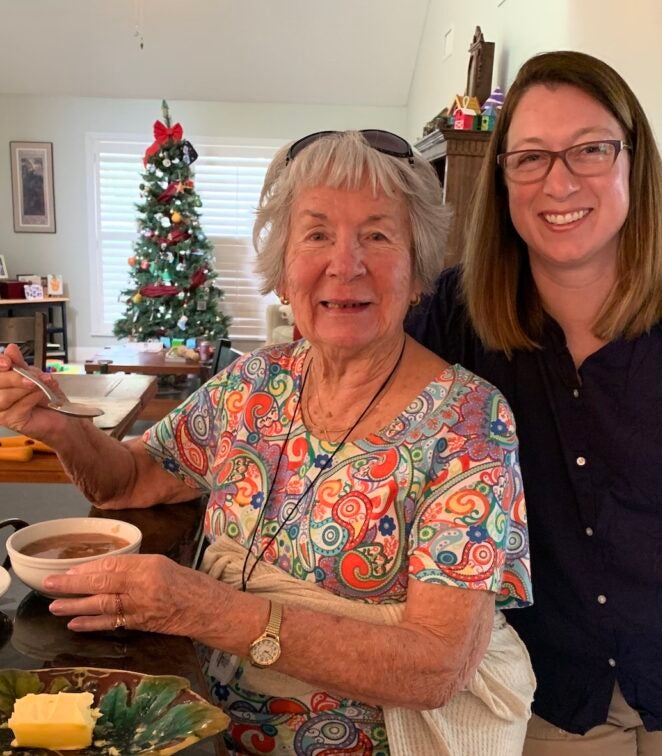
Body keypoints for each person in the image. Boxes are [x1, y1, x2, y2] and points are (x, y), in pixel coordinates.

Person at [0, 130, 535, 755]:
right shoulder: (255, 383)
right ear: (282, 271)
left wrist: (204, 609)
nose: (346, 262)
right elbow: (129, 480)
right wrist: (60, 427)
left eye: (378, 234)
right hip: (197, 724)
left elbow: (436, 666)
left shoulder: (470, 422)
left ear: (419, 271)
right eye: (316, 234)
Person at [406, 51, 662, 755]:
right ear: (502, 177)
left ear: (634, 159)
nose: (559, 181)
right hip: (548, 690)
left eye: (591, 149)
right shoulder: (459, 314)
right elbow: (357, 390)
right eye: (531, 157)